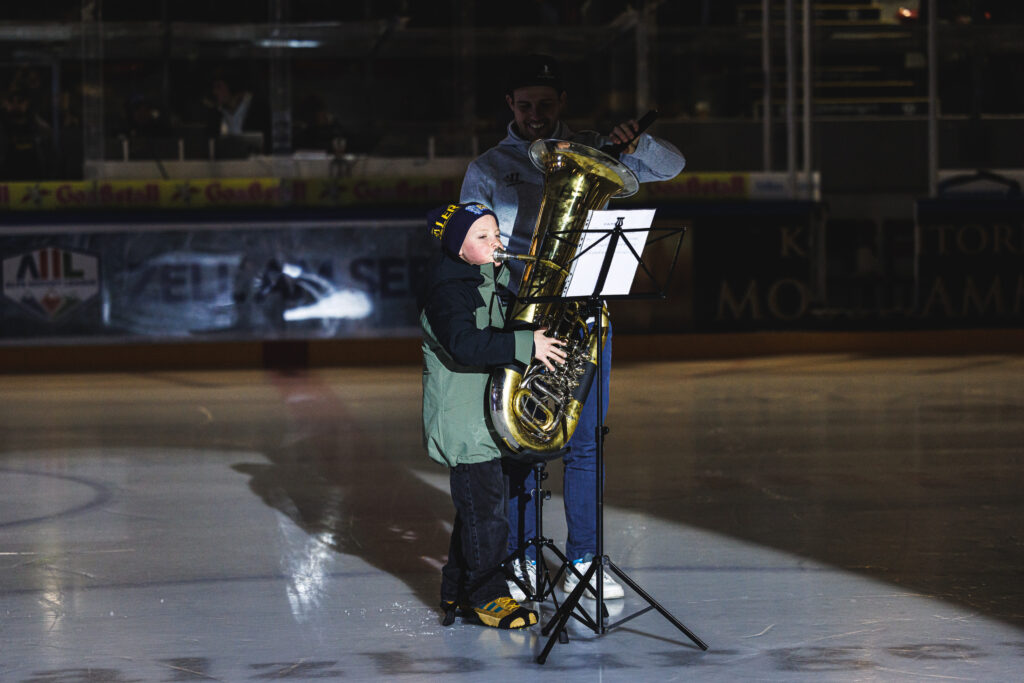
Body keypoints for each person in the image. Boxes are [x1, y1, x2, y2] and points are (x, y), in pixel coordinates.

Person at [459, 54, 685, 601]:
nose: (535, 114)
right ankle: (525, 557)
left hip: (584, 316)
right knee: (522, 444)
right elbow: (469, 241)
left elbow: (673, 166)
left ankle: (585, 559)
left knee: (585, 447)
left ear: (560, 104)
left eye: (545, 104)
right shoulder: (488, 165)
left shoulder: (594, 147)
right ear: (510, 106)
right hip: (522, 318)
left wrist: (636, 147)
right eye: (525, 105)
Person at [420, 201, 566, 629]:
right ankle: (490, 597)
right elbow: (465, 344)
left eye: (496, 234)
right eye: (482, 237)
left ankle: (457, 594)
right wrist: (526, 346)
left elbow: (496, 333)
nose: (496, 243)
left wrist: (532, 335)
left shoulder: (489, 280)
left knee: (476, 512)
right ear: (458, 249)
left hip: (485, 420)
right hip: (464, 423)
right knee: (488, 515)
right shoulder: (449, 290)